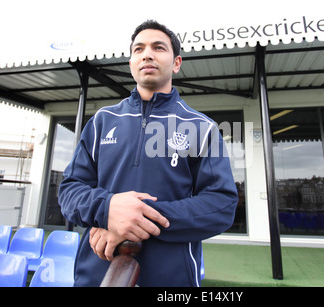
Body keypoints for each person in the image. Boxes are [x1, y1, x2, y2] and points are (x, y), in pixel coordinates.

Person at [58, 20, 238, 287]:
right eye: (138, 49)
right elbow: (70, 191)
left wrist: (135, 218)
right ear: (131, 62)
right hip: (96, 275)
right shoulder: (101, 121)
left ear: (176, 63)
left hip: (172, 279)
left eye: (158, 48)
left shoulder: (201, 127)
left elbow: (221, 205)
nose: (147, 54)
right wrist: (107, 210)